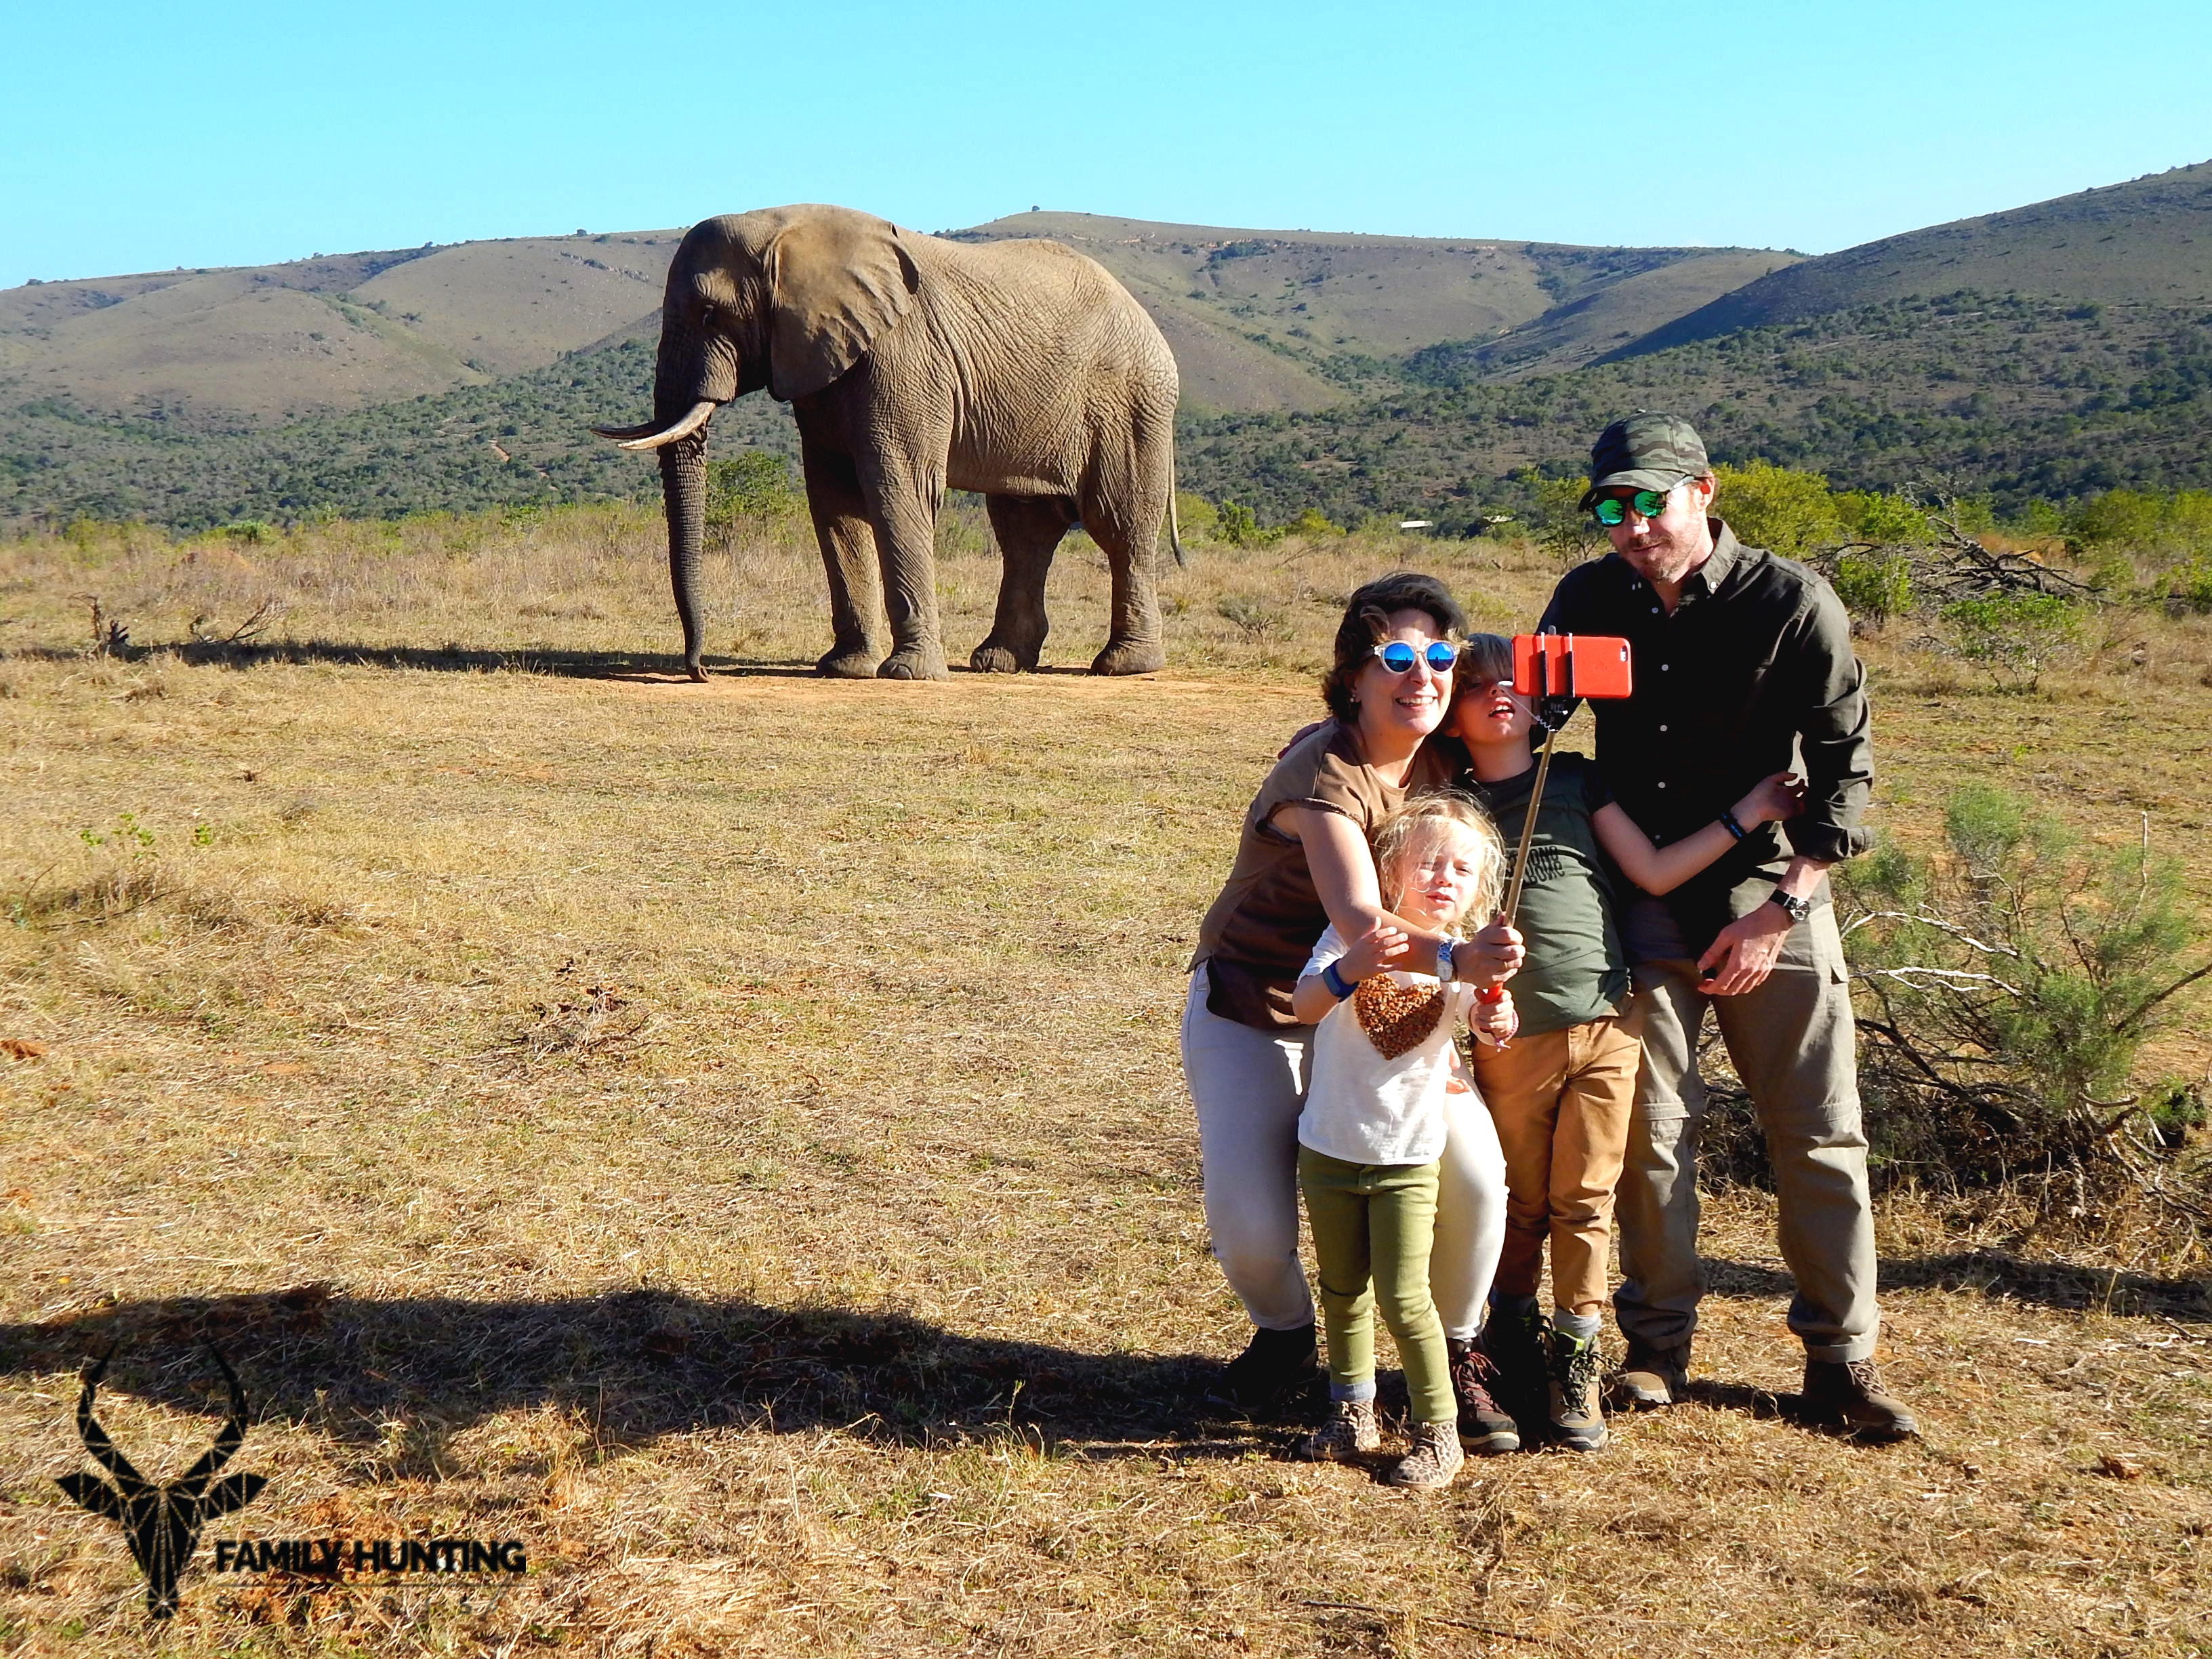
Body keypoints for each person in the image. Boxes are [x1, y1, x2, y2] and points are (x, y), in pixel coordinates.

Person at [1538, 412, 1917, 1439]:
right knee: (1650, 1137)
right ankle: (1655, 1351)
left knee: (1817, 1132)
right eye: (1610, 508)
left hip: (1768, 903)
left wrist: (1782, 914)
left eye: (1646, 502)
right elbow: (1529, 722)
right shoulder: (1589, 598)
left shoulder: (1793, 603)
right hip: (1643, 898)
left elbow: (1843, 778)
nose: (1628, 526)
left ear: (1703, 491)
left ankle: (1841, 1362)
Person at [1183, 572, 1525, 1442]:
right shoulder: (1320, 769)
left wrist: (1463, 995)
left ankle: (1452, 1355)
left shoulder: (1444, 755)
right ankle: (1291, 1334)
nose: (1424, 674)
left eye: (1439, 655)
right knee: (1252, 1228)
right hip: (1262, 1002)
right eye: (1398, 657)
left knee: (1480, 1182)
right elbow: (1361, 921)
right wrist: (1458, 956)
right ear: (1353, 677)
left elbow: (1516, 710)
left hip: (1397, 1019)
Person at [1450, 634, 1805, 1450]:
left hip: (1610, 1022)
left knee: (1586, 1201)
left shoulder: (1571, 778)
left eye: (1513, 682)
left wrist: (1747, 813)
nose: (1498, 693)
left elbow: (1650, 871)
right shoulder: (1455, 803)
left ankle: (1575, 1363)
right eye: (1475, 686)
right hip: (1514, 1035)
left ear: (1543, 703)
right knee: (1521, 1204)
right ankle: (1505, 1342)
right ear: (1453, 715)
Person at [1289, 794, 1517, 1488]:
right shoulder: (1349, 939)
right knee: (1341, 1288)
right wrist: (1350, 968)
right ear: (1389, 872)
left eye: (1461, 869)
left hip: (1407, 1156)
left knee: (1404, 1295)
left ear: (1479, 889)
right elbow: (1304, 1005)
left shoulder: (1462, 964)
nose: (1444, 878)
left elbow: (1490, 1027)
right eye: (1428, 862)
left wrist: (1495, 1009)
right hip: (1329, 1146)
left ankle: (1436, 1428)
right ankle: (1351, 1411)